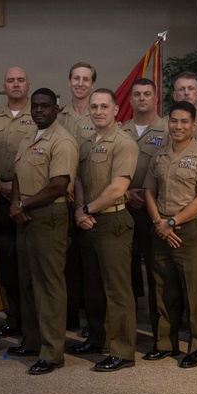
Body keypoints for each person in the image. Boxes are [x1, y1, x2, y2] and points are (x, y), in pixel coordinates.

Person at [68, 89, 139, 372]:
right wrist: (81, 208)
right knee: (94, 289)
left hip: (112, 222)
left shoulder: (123, 142)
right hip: (89, 222)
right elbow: (80, 179)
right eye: (94, 107)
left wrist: (85, 211)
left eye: (104, 107)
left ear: (116, 109)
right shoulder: (86, 142)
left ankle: (122, 351)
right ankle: (98, 339)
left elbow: (117, 189)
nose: (98, 111)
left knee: (117, 290)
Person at [143, 102, 197, 367]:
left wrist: (173, 221)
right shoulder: (159, 156)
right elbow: (149, 192)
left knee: (194, 290)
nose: (178, 126)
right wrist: (159, 223)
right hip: (160, 228)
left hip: (187, 230)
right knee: (163, 288)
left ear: (194, 126)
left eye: (184, 121)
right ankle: (164, 342)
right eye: (174, 121)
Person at [10, 88, 78, 375]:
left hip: (49, 215)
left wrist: (22, 204)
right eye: (35, 107)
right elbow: (16, 175)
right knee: (27, 281)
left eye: (45, 106)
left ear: (56, 109)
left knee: (49, 285)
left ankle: (52, 353)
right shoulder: (28, 136)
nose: (39, 111)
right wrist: (16, 203)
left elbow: (59, 185)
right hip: (24, 215)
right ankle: (32, 340)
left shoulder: (62, 141)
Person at [0, 66, 35, 340]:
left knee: (31, 262)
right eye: (10, 80)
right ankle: (12, 319)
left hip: (30, 200)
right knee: (6, 264)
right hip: (1, 198)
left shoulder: (38, 115)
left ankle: (34, 322)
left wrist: (19, 189)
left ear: (28, 84)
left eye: (20, 80)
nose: (15, 84)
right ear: (4, 85)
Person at [120, 78, 167, 323]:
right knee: (124, 267)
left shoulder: (169, 130)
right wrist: (127, 194)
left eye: (147, 94)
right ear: (130, 100)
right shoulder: (120, 130)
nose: (142, 98)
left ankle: (160, 322)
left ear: (155, 98)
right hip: (124, 205)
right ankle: (127, 321)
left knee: (156, 268)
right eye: (137, 94)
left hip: (155, 209)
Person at [57, 62, 97, 333]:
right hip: (64, 196)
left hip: (94, 196)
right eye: (76, 78)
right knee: (66, 260)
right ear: (69, 81)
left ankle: (93, 321)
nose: (81, 83)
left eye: (86, 79)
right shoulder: (58, 117)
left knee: (92, 262)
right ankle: (69, 316)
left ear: (92, 84)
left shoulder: (99, 115)